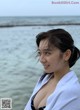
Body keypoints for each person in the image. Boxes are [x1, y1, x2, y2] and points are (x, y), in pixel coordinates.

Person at [24, 28, 80, 110]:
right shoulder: (44, 78)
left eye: (47, 53)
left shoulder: (71, 91)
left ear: (66, 55)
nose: (41, 59)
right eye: (40, 53)